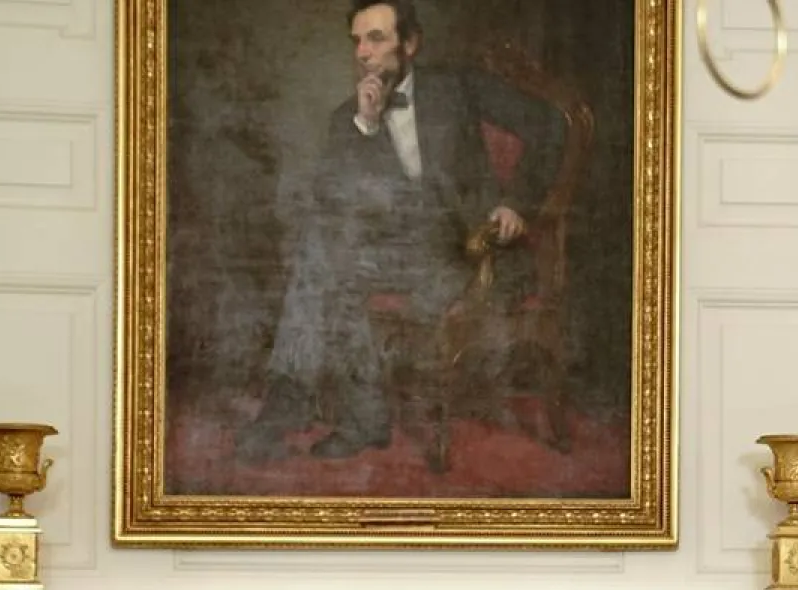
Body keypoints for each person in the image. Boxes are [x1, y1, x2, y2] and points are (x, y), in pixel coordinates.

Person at [235, 0, 562, 464]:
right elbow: (331, 205)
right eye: (357, 41)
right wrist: (367, 128)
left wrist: (515, 201)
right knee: (322, 255)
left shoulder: (459, 87)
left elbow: (549, 124)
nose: (363, 53)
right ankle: (330, 410)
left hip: (468, 253)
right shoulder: (348, 118)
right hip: (398, 255)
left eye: (376, 38)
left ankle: (303, 407)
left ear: (410, 43)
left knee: (327, 261)